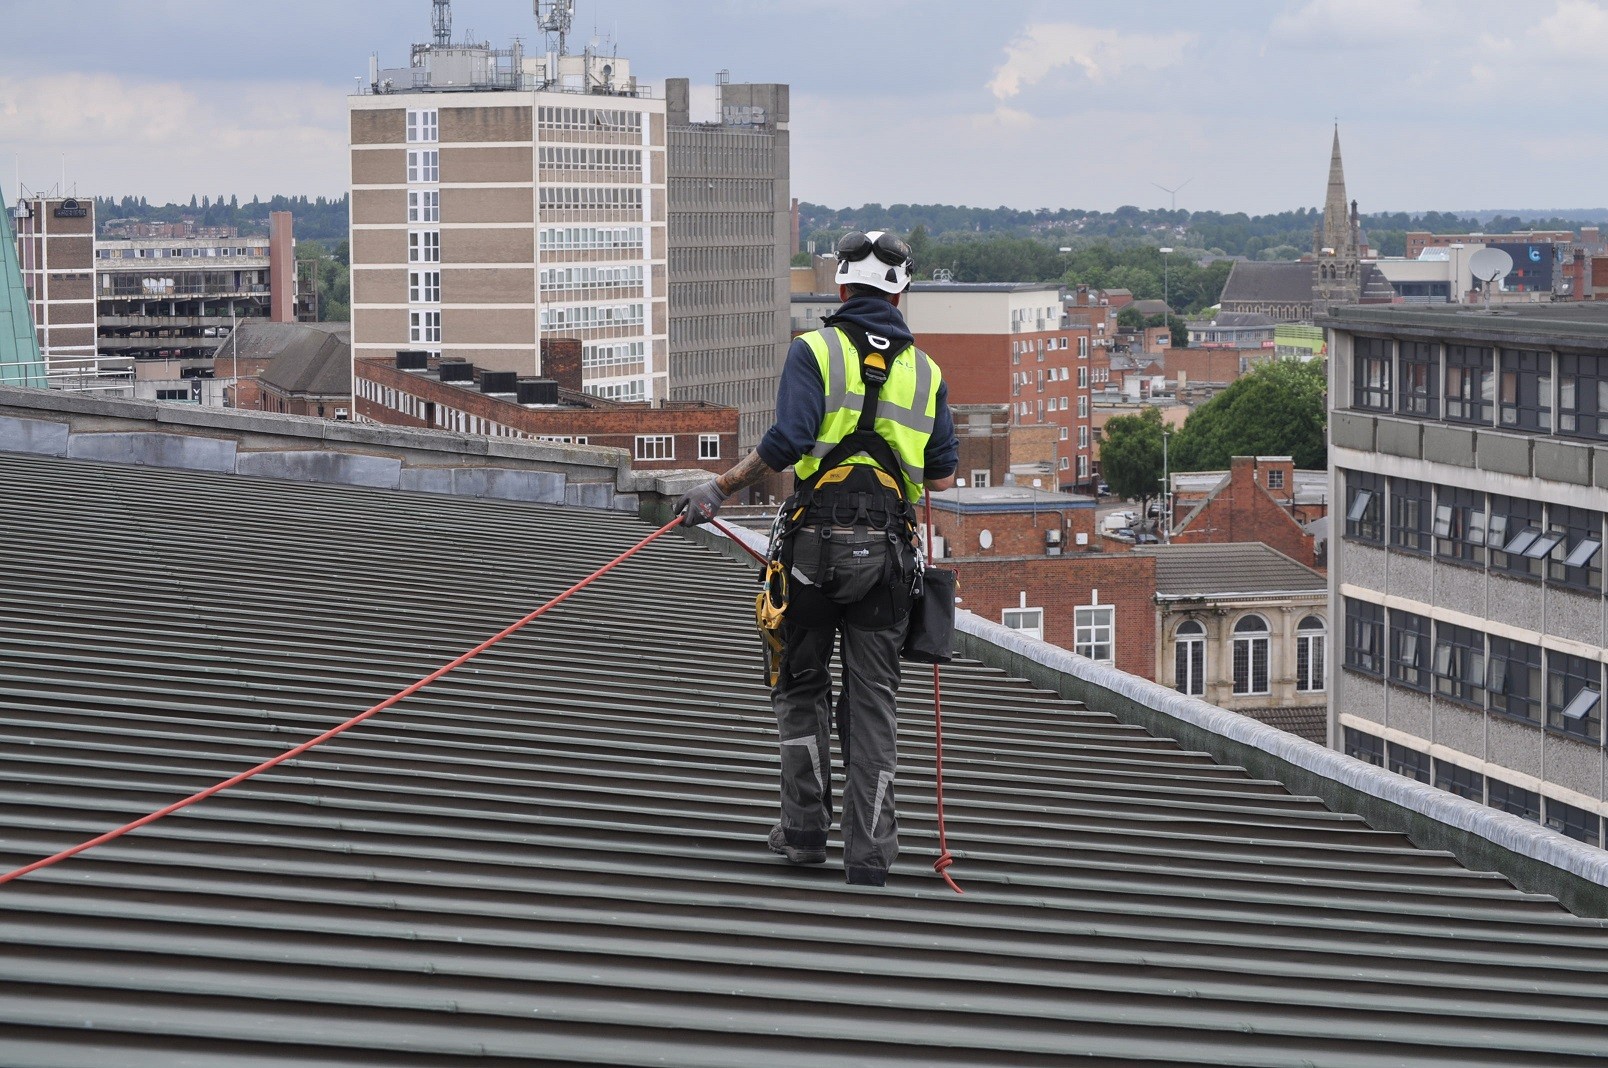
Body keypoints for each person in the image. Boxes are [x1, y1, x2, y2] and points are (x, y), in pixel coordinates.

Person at [676, 229, 957, 886]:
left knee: (800, 689)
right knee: (873, 706)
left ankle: (804, 836)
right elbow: (941, 476)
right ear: (902, 292)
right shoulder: (928, 372)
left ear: (841, 287)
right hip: (887, 558)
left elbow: (787, 441)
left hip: (811, 552)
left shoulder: (814, 351)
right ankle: (869, 857)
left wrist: (717, 489)